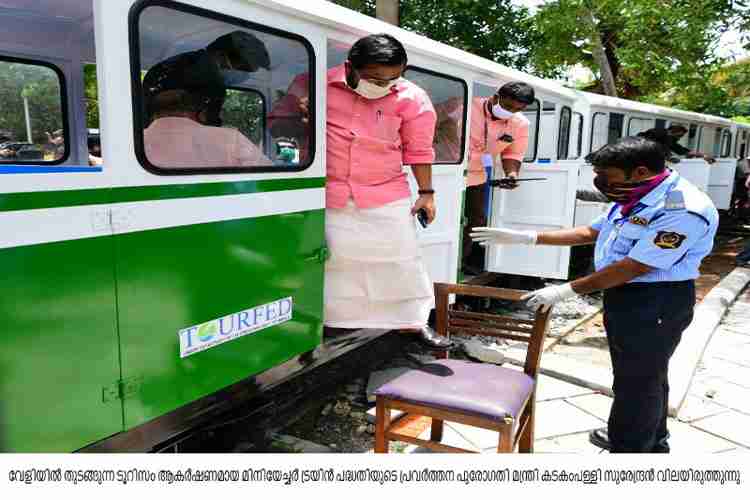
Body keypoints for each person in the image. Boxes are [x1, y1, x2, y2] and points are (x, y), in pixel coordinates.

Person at [472, 137, 718, 452]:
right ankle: (649, 437)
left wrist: (565, 290)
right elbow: (592, 231)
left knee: (637, 380)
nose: (601, 183)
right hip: (628, 297)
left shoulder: (684, 208)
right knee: (644, 375)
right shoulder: (638, 193)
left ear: (639, 171)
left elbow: (634, 267)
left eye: (607, 176)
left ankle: (630, 450)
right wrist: (529, 237)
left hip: (655, 301)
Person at [273, 34, 450, 349]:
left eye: (392, 79)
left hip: (385, 191)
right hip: (327, 191)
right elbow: (276, 126)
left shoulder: (412, 98)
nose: (383, 86)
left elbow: (419, 150)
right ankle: (331, 323)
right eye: (373, 78)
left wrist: (427, 192)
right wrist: (303, 120)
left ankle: (413, 322)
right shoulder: (312, 84)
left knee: (401, 260)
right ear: (349, 67)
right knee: (333, 262)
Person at [142, 51, 270, 168]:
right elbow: (268, 180)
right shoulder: (231, 141)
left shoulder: (134, 143)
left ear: (150, 110)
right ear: (205, 111)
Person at [461, 82, 534, 274]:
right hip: (448, 171)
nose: (512, 112)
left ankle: (461, 261)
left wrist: (511, 174)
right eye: (509, 107)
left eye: (519, 109)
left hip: (477, 175)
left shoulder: (520, 124)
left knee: (477, 219)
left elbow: (513, 154)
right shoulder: (465, 106)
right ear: (495, 98)